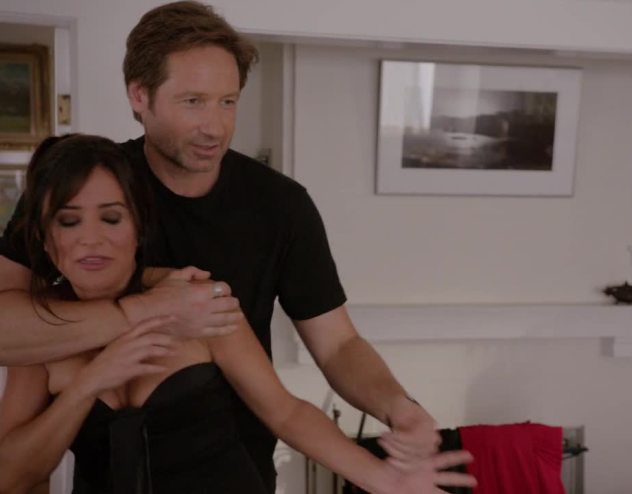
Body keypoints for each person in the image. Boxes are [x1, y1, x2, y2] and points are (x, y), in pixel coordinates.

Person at [0, 1, 442, 491]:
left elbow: (336, 347)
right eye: (193, 101)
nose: (215, 126)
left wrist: (396, 406)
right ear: (140, 95)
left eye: (227, 102)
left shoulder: (280, 206)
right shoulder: (87, 189)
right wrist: (142, 315)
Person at [0, 134, 475, 494]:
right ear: (43, 237)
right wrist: (88, 383)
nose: (92, 239)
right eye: (69, 221)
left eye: (111, 218)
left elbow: (286, 413)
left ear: (138, 226)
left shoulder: (197, 300)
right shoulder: (41, 333)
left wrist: (385, 481)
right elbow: (12, 474)